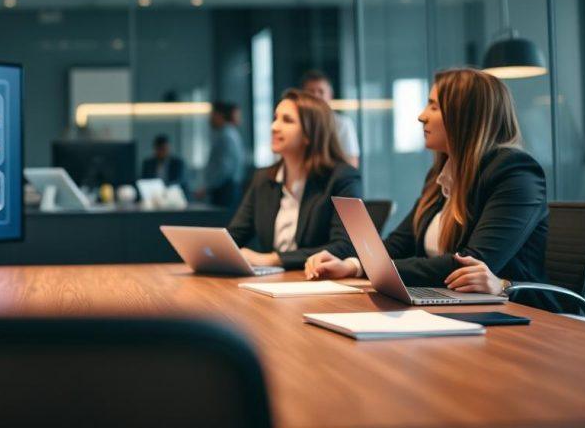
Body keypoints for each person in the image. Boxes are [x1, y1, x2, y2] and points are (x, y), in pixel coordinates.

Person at [304, 68, 556, 311]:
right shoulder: (442, 175)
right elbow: (399, 243)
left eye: (434, 106)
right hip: (456, 304)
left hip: (520, 312)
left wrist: (367, 268)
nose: (421, 116)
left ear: (465, 115)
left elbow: (469, 264)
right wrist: (352, 264)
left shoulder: (515, 172)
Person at [228, 89, 362, 269]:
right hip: (274, 284)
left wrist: (273, 259)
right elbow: (235, 235)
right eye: (275, 118)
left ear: (309, 134)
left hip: (315, 284)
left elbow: (346, 246)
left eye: (287, 120)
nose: (274, 126)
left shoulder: (342, 178)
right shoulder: (264, 179)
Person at [301, 70, 359, 168]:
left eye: (321, 91)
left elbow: (352, 163)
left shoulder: (343, 124)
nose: (315, 96)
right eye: (311, 91)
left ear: (330, 96)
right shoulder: (297, 124)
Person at [197, 101, 245, 210]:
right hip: (226, 188)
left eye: (212, 115)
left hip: (224, 190)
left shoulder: (225, 136)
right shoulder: (229, 133)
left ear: (219, 115)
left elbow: (224, 168)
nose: (210, 119)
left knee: (221, 223)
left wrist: (207, 187)